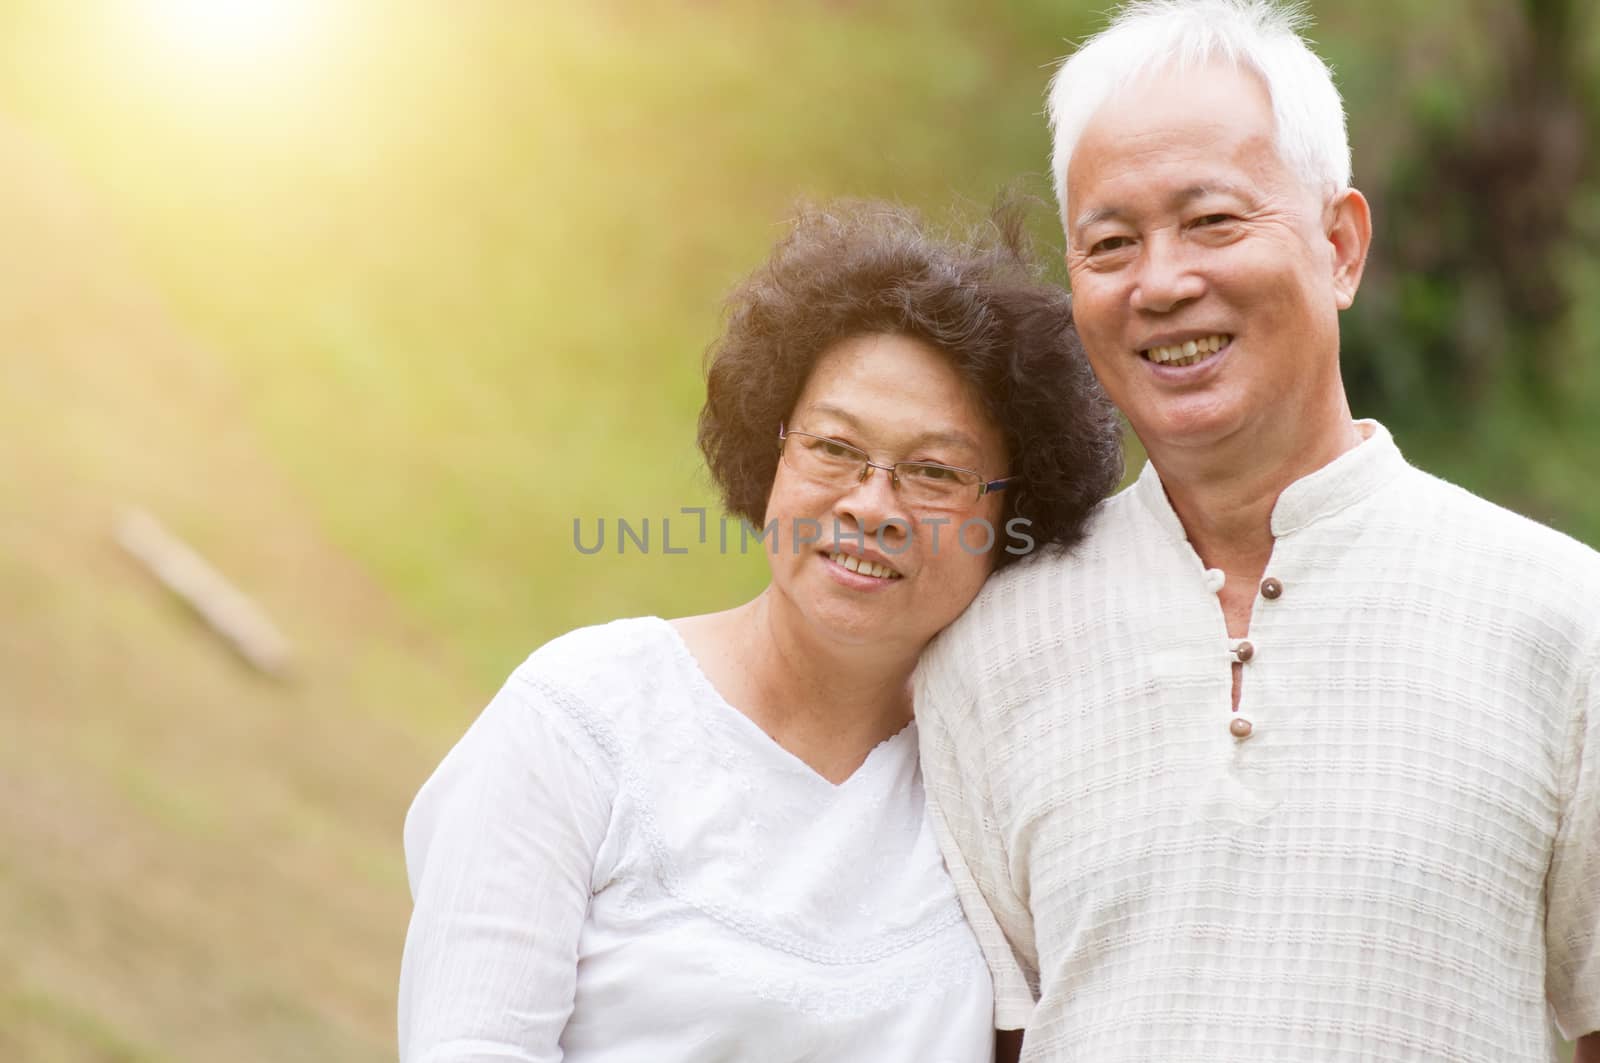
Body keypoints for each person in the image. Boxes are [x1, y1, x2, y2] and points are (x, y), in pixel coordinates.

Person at [914, 3, 1600, 1062]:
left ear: (1338, 246)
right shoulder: (988, 648)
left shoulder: (1562, 621)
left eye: (1213, 221)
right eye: (1109, 243)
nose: (1161, 281)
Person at [397, 199, 1122, 1062]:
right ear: (772, 450)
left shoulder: (1004, 789)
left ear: (1015, 512)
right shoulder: (581, 717)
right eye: (833, 446)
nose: (870, 503)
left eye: (934, 471)